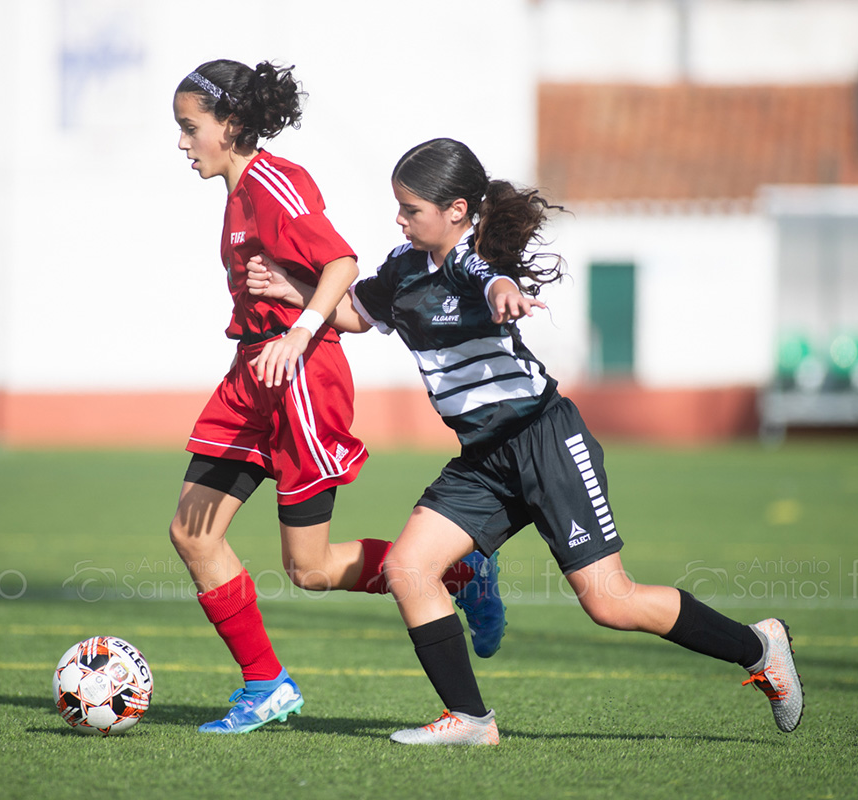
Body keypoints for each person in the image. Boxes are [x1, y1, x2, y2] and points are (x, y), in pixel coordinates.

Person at [246, 137, 804, 745]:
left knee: (610, 602)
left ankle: (760, 645)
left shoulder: (473, 261)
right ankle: (469, 719)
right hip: (483, 459)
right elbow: (359, 314)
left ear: (456, 210)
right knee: (409, 568)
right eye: (399, 208)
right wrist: (294, 292)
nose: (399, 219)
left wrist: (502, 293)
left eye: (410, 209)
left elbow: (487, 279)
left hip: (545, 442)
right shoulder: (405, 267)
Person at [169, 66, 505, 735]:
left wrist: (298, 332)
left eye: (189, 127)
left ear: (230, 125)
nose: (182, 143)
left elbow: (343, 265)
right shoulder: (237, 193)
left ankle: (460, 574)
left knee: (311, 569)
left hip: (298, 382)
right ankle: (265, 685)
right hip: (251, 375)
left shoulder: (274, 183)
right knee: (191, 532)